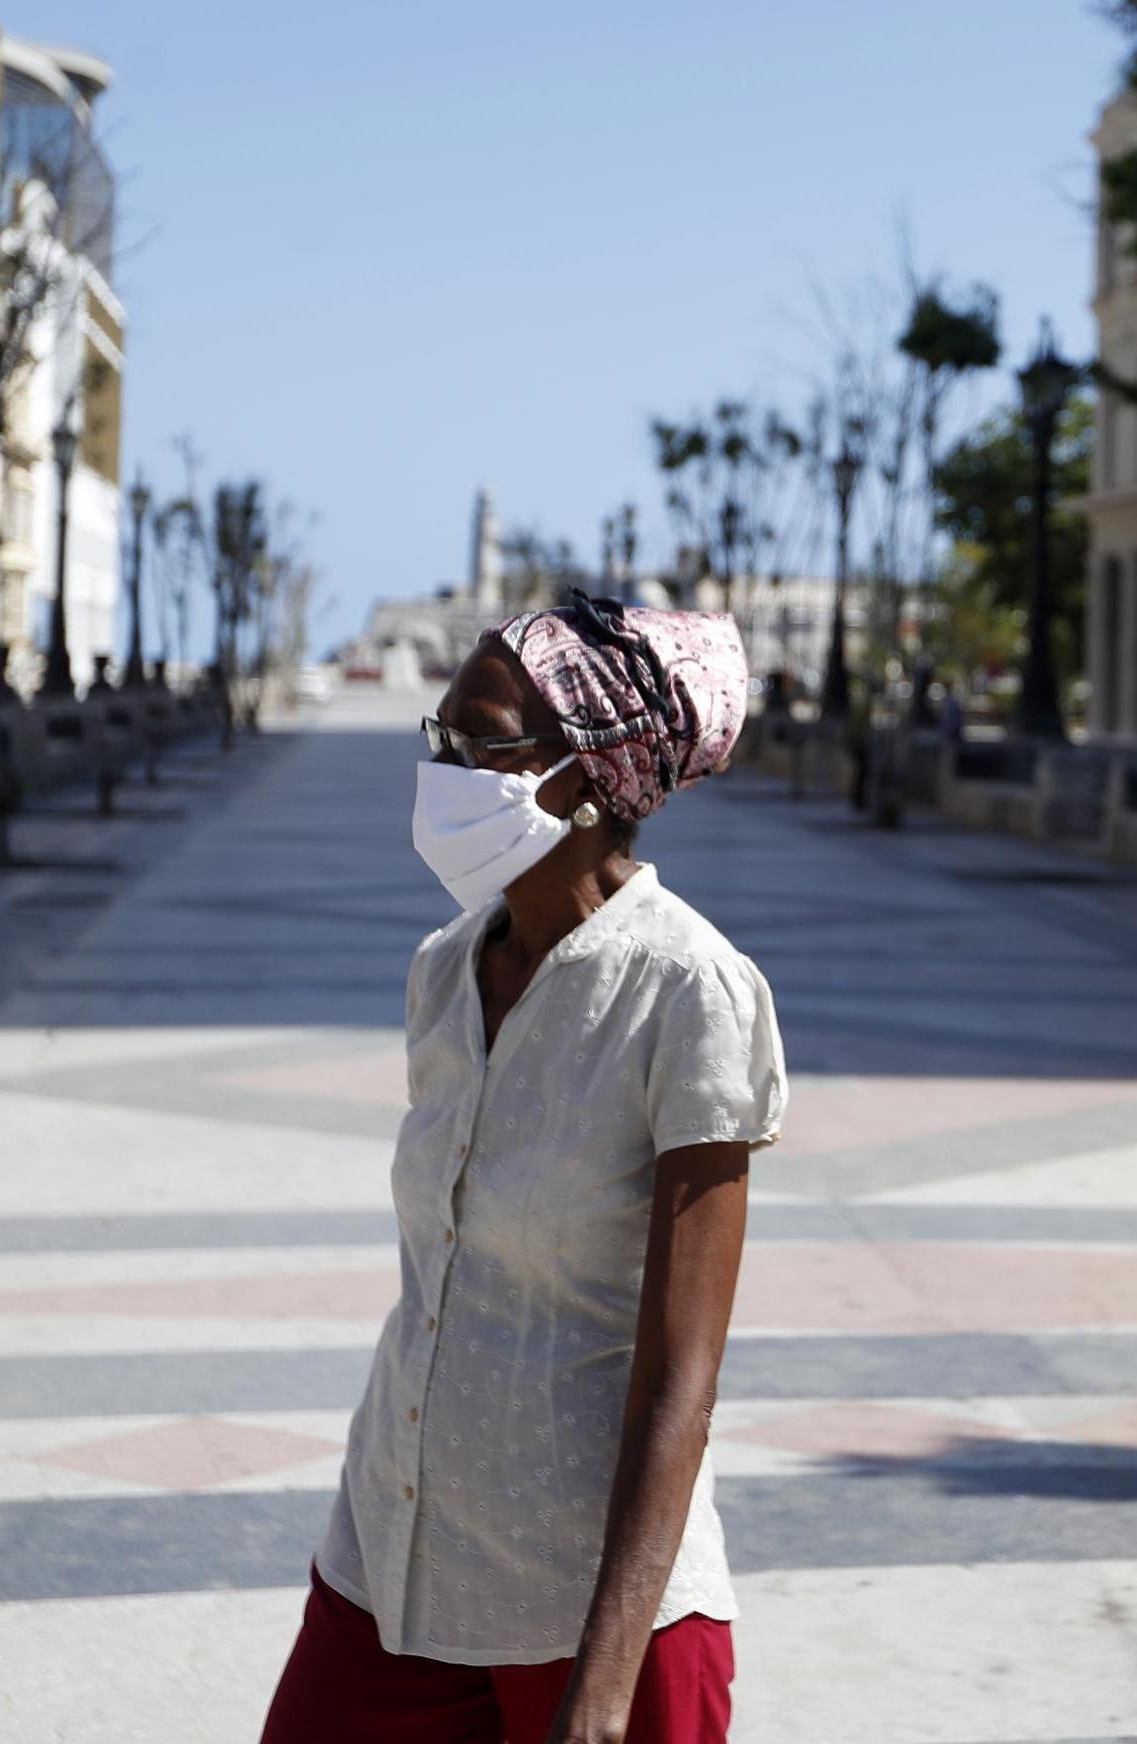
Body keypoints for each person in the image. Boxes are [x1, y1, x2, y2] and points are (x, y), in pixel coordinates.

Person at [260, 592, 787, 1744]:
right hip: (392, 1567)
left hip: (600, 1617)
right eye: (438, 735)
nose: (443, 764)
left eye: (476, 738)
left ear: (589, 776)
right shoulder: (444, 970)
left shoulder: (688, 991)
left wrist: (602, 1688)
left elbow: (680, 1378)